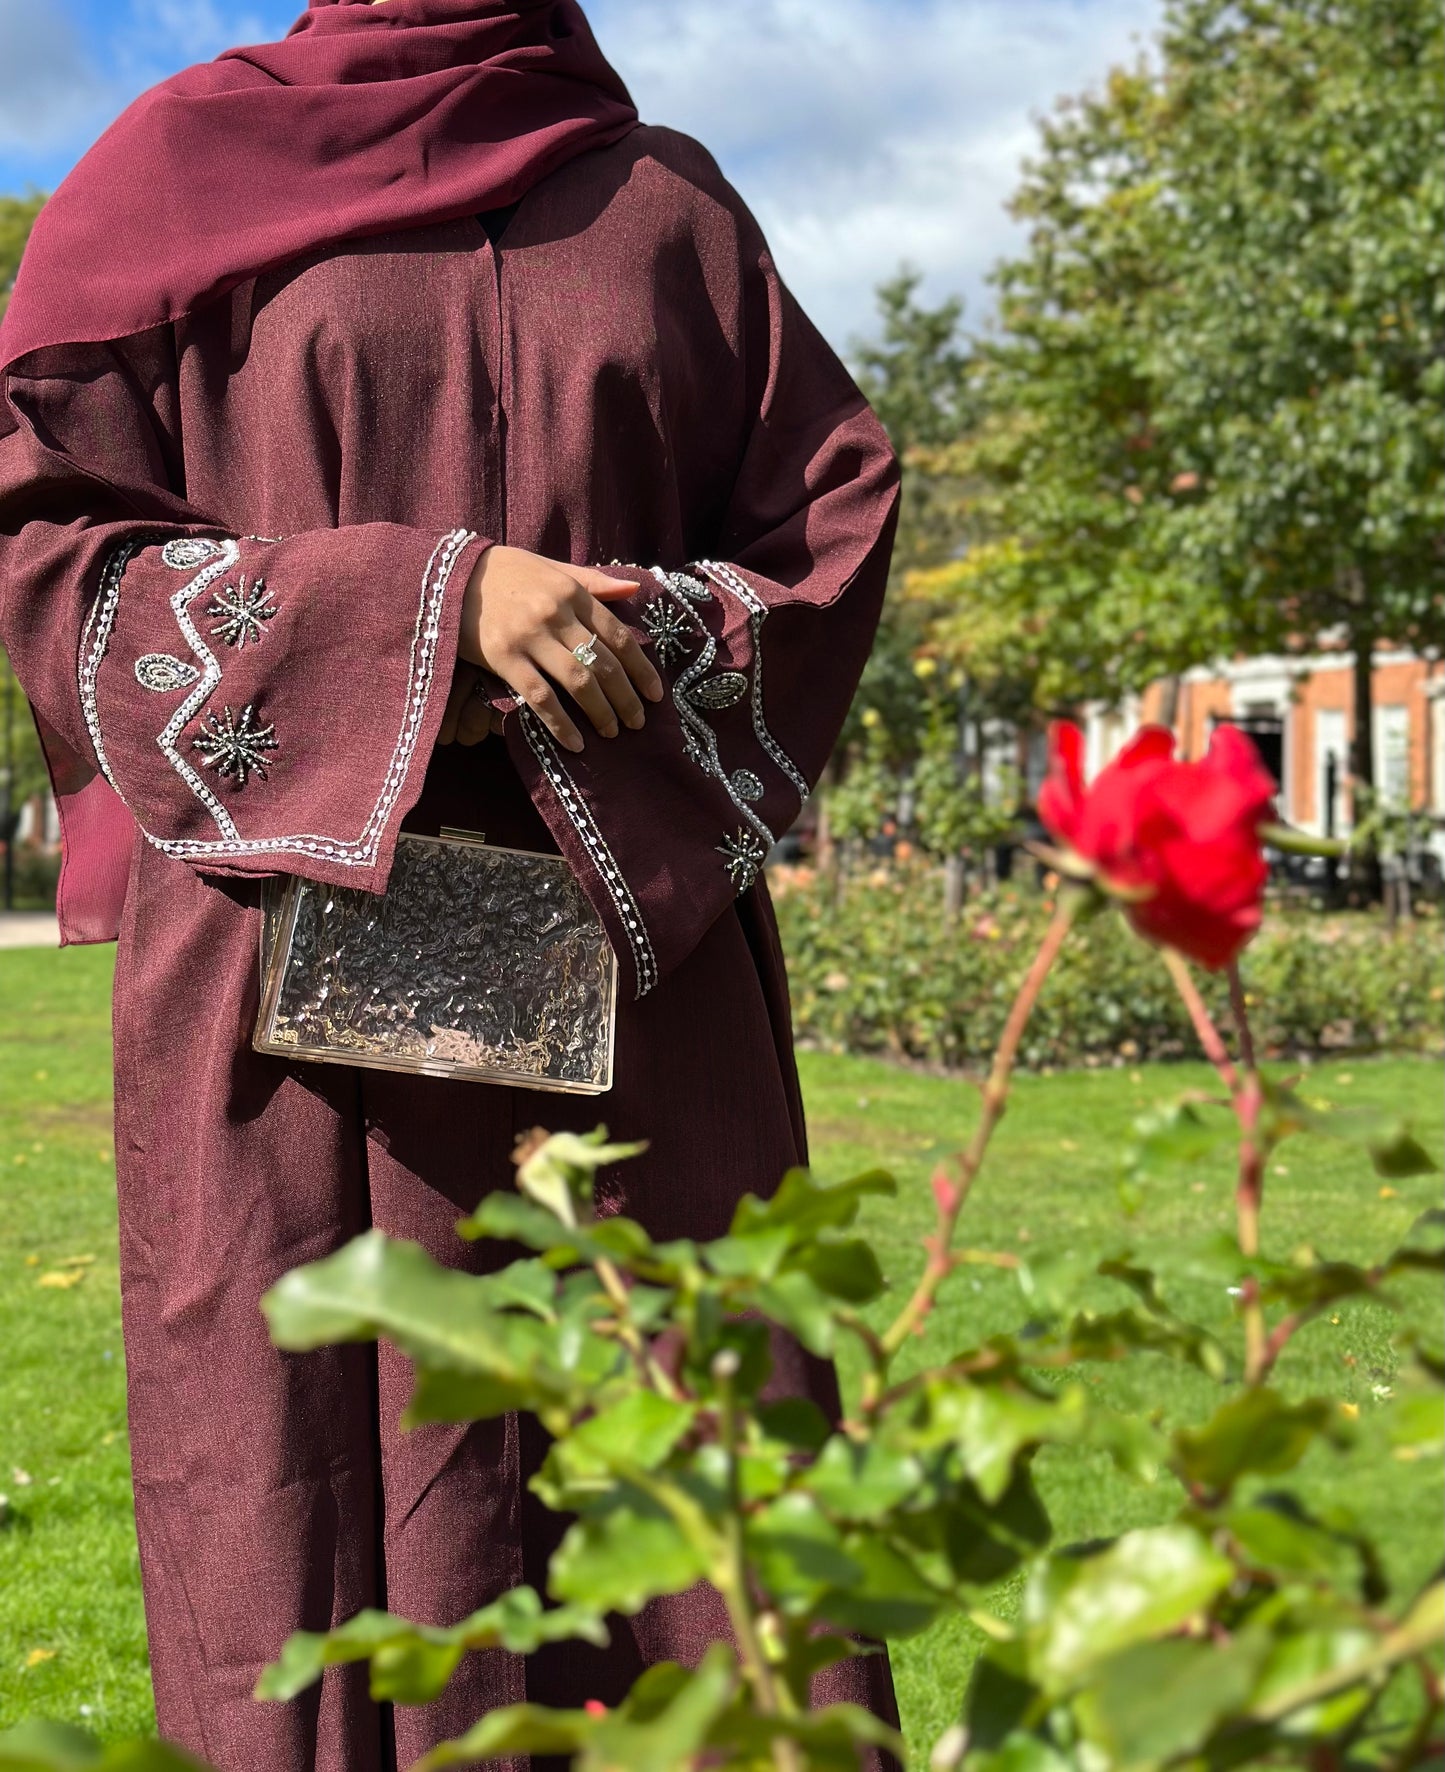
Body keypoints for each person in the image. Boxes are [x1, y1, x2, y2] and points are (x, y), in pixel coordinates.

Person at [0, 2, 901, 1767]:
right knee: (308, 1518)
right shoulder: (168, 178)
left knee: (683, 1502)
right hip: (280, 1006)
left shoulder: (668, 210)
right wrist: (426, 610)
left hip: (637, 983)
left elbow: (826, 535)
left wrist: (600, 638)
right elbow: (46, 538)